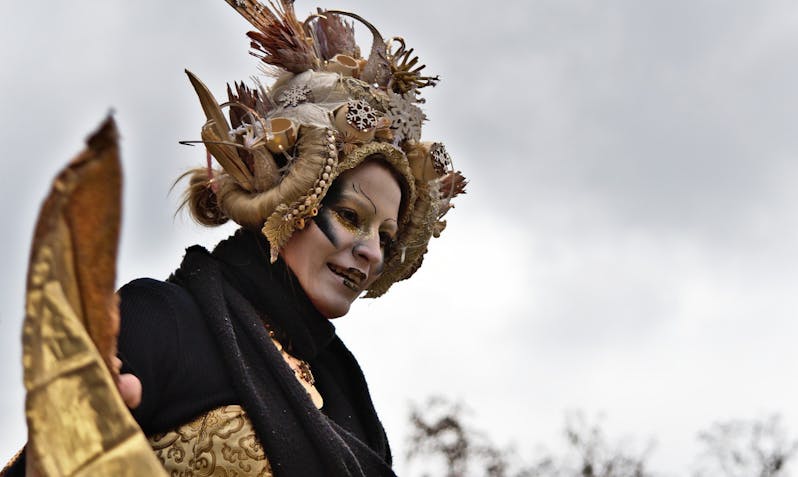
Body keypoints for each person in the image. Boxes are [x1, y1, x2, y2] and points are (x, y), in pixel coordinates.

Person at [4, 1, 465, 476]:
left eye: (386, 238)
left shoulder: (352, 399)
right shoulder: (161, 321)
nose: (371, 252)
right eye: (350, 216)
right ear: (290, 197)